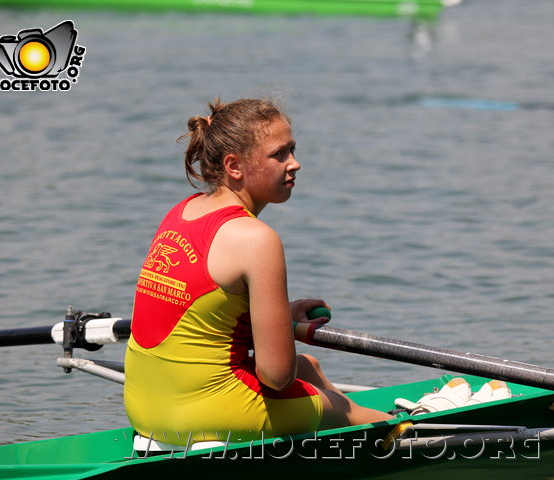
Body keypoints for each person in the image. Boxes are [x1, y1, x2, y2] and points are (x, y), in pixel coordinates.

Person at [124, 97, 392, 446]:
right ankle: (412, 428)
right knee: (354, 413)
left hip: (144, 407)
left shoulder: (181, 213)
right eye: (279, 154)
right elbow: (276, 375)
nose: (295, 164)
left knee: (309, 367)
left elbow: (200, 318)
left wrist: (278, 318)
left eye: (292, 150)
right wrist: (285, 333)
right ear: (234, 165)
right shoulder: (256, 239)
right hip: (208, 412)